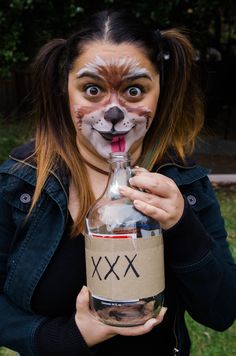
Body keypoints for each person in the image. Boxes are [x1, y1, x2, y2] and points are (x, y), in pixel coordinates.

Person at [0, 9, 235, 356]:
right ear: (66, 88)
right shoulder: (20, 183)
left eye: (135, 91)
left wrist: (183, 224)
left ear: (160, 91)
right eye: (92, 89)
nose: (114, 113)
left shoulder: (184, 185)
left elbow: (222, 310)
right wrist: (61, 338)